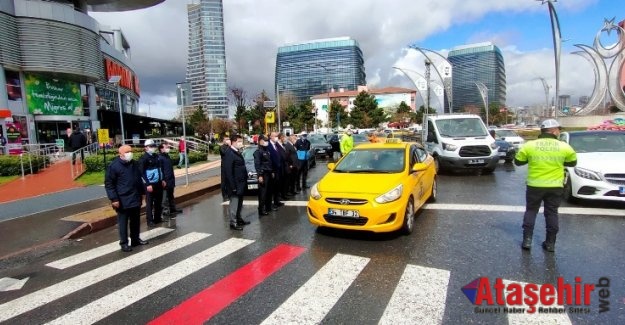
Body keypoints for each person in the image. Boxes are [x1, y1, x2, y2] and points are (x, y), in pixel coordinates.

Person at [514, 119, 577, 252]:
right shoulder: (564, 146)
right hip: (555, 186)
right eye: (559, 130)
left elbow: (518, 162)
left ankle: (527, 241)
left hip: (534, 185)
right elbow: (572, 163)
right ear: (553, 131)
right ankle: (550, 243)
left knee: (531, 211)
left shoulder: (530, 145)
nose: (559, 132)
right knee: (551, 213)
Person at [104, 145, 148, 252]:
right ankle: (124, 243)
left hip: (135, 197)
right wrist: (114, 199)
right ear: (121, 154)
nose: (130, 153)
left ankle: (135, 239)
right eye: (127, 152)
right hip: (122, 199)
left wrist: (142, 194)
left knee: (135, 220)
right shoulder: (114, 166)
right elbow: (109, 184)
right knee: (123, 222)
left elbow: (139, 180)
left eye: (131, 151)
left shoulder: (134, 163)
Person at [223, 134, 250, 230]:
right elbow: (228, 172)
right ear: (234, 142)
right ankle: (233, 222)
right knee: (234, 204)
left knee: (240, 203)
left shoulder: (237, 152)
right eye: (239, 141)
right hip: (235, 184)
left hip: (241, 183)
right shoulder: (229, 153)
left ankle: (239, 219)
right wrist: (233, 186)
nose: (241, 143)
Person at [138, 139, 165, 226]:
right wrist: (147, 184)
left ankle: (157, 218)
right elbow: (141, 173)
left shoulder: (156, 156)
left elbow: (160, 169)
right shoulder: (143, 159)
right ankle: (150, 220)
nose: (153, 148)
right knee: (149, 203)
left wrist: (162, 179)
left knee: (158, 201)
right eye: (151, 146)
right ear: (146, 148)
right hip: (150, 184)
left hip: (158, 182)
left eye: (153, 146)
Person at [158, 143, 182, 217]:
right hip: (165, 180)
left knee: (171, 195)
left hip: (171, 179)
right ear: (161, 149)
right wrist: (162, 180)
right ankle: (165, 211)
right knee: (165, 197)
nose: (168, 148)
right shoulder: (160, 158)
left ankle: (172, 209)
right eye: (166, 147)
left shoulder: (167, 156)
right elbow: (160, 170)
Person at [253, 135, 274, 216]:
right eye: (265, 140)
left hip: (269, 173)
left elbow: (269, 162)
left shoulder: (267, 150)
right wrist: (260, 175)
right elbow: (257, 165)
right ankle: (261, 209)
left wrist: (272, 171)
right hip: (263, 174)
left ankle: (268, 207)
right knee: (263, 193)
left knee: (269, 191)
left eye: (267, 140)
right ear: (260, 141)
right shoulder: (258, 152)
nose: (266, 142)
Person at [267, 132, 285, 207]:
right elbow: (269, 159)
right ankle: (271, 203)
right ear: (271, 137)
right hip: (273, 170)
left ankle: (277, 201)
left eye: (277, 136)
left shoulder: (276, 144)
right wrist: (272, 170)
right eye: (275, 136)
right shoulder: (268, 145)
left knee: (277, 186)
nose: (276, 137)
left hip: (279, 169)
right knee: (272, 187)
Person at [219, 136, 231, 201]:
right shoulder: (222, 147)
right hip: (224, 166)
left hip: (230, 166)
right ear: (223, 140)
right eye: (226, 139)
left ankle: (229, 194)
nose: (228, 140)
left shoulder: (230, 147)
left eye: (228, 139)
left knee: (229, 181)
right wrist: (229, 146)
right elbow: (224, 153)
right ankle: (224, 195)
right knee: (224, 181)